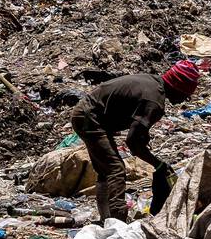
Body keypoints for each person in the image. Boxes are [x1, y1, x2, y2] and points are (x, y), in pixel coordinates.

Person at [70, 61, 202, 224]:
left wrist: (144, 138)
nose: (184, 99)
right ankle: (118, 220)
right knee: (115, 169)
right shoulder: (154, 101)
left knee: (106, 170)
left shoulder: (153, 83)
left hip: (90, 114)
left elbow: (137, 129)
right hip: (89, 118)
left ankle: (106, 219)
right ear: (178, 86)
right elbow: (132, 142)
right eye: (185, 94)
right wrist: (158, 164)